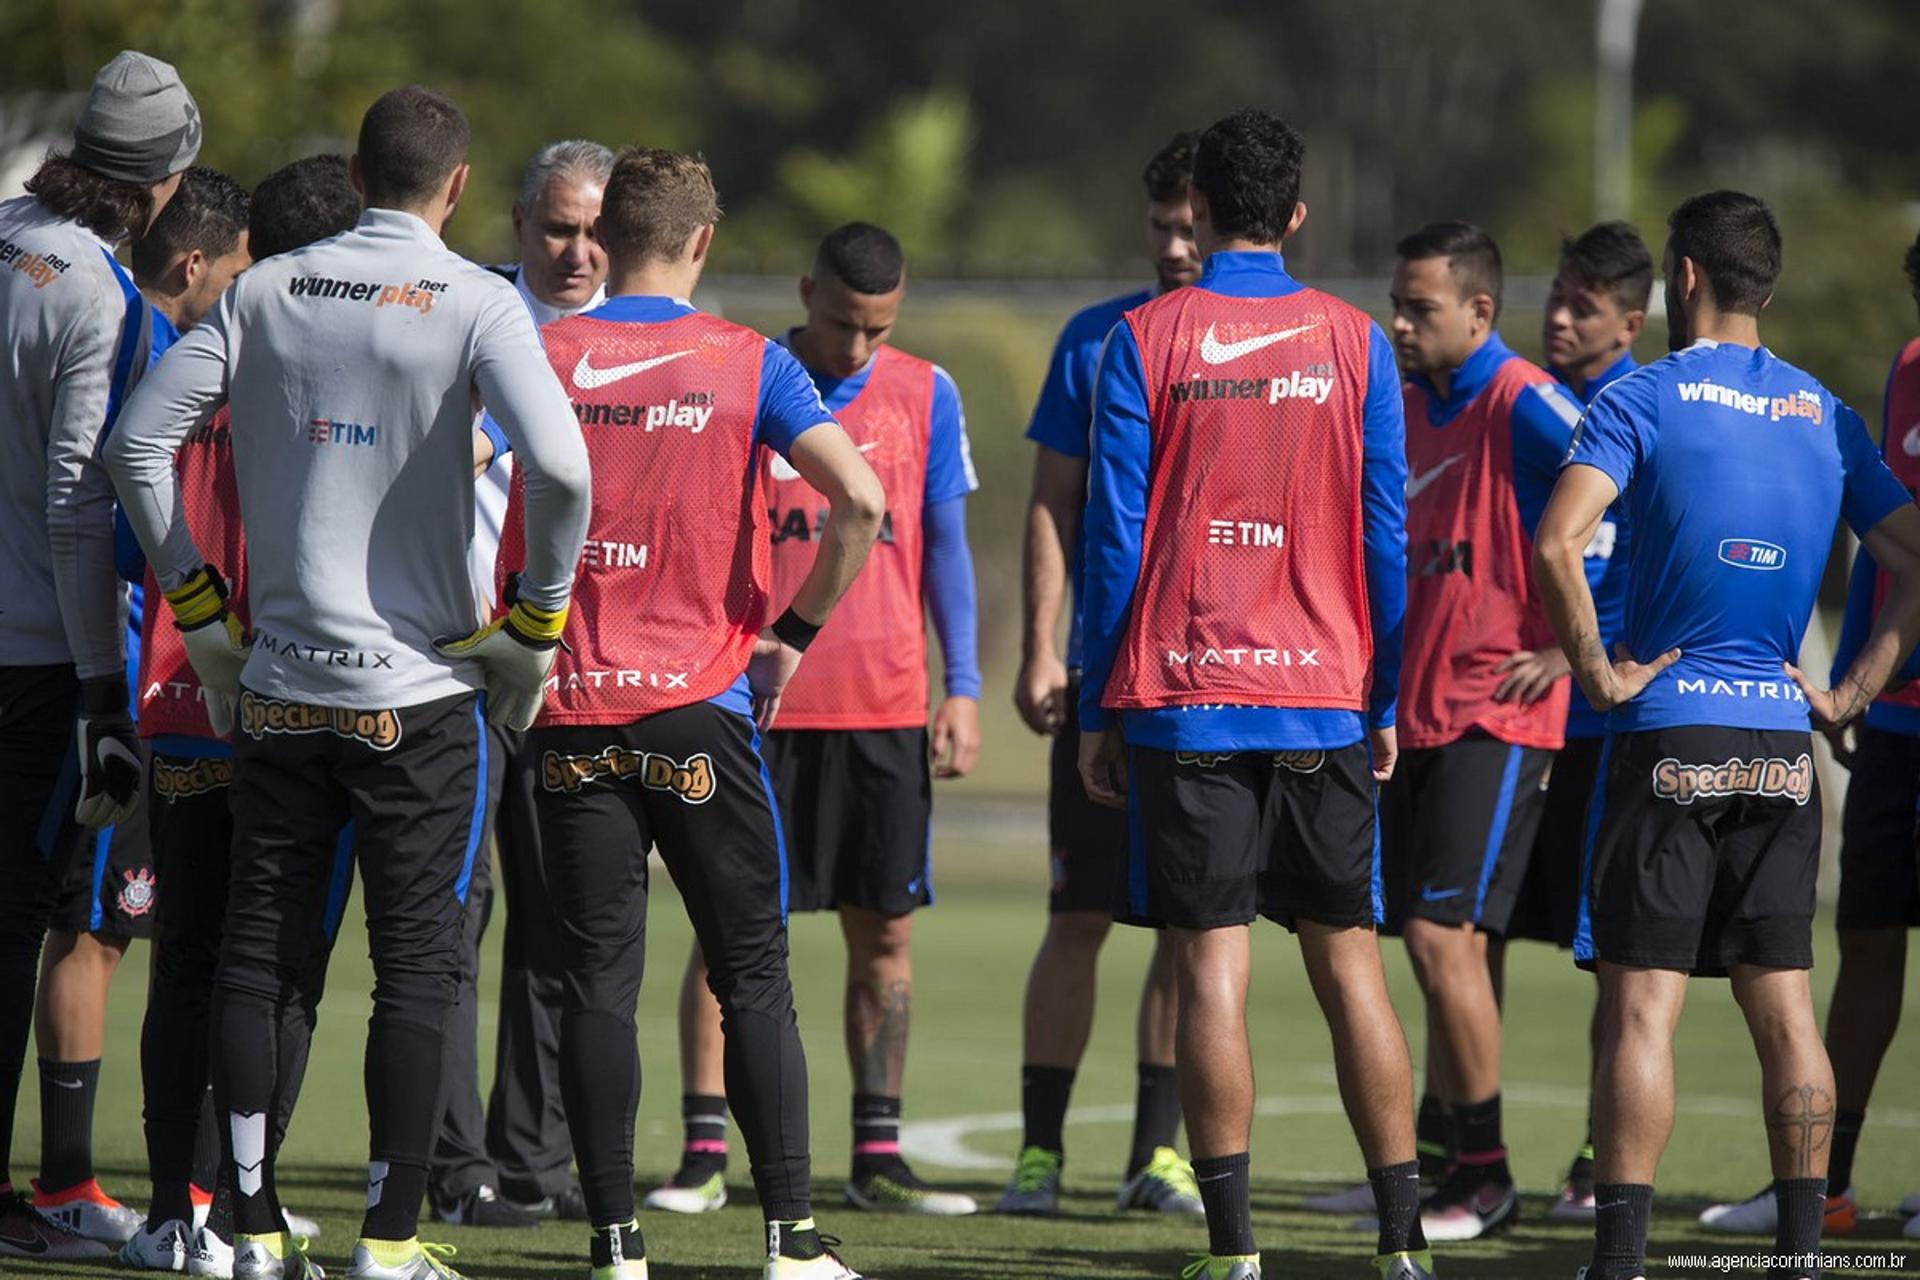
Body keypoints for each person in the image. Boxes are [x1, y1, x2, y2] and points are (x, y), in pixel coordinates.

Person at [105, 85, 593, 1280]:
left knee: (257, 952)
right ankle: (386, 1235)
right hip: (420, 693)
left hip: (277, 682)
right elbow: (565, 472)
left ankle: (253, 1223)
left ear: (361, 171)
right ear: (461, 185)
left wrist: (202, 604)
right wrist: (533, 619)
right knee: (419, 963)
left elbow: (133, 447)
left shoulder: (265, 290)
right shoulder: (478, 299)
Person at [494, 145, 882, 1280]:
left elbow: (449, 467)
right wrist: (792, 637)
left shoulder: (541, 350)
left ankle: (616, 1243)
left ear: (601, 237)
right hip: (698, 713)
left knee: (596, 978)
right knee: (751, 967)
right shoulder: (747, 359)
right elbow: (858, 501)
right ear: (703, 242)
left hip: (569, 713)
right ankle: (791, 1241)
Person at [1535, 189, 1920, 1280]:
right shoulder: (1826, 413)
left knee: (1642, 1003)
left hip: (1667, 730)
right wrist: (1848, 693)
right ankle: (1804, 1249)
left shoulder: (1644, 397)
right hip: (1779, 744)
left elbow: (1559, 544)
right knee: (1787, 1003)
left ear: (1685, 278)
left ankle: (1620, 1259)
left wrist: (1601, 673)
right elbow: (1917, 558)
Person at [1079, 106, 1430, 1280]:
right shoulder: (1355, 340)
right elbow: (1388, 528)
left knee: (1212, 966)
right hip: (1325, 698)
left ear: (1201, 207)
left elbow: (1115, 536)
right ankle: (1403, 1242)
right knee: (1351, 964)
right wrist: (1380, 685)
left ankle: (1232, 1250)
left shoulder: (1146, 335)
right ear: (1294, 214)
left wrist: (1097, 702)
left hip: (1186, 700)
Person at [654, 221, 982, 1219]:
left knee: (884, 934)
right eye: (842, 322)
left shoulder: (928, 392)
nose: (858, 348)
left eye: (879, 329)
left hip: (883, 707)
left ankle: (877, 1148)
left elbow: (948, 551)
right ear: (806, 291)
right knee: (728, 931)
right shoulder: (749, 377)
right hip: (756, 707)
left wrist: (960, 683)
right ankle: (705, 1151)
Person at [117, 155, 364, 1276]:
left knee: (189, 956)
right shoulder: (338, 358)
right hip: (300, 693)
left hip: (181, 683)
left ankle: (178, 1213)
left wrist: (191, 603)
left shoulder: (188, 354)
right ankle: (239, 1211)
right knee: (282, 966)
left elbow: (127, 509)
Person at [0, 49, 200, 1263]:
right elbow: (84, 506)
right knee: (18, 920)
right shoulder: (101, 294)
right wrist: (99, 693)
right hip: (32, 656)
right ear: (169, 178)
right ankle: (40, 1196)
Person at [1695, 227, 1920, 1245]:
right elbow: (1889, 543)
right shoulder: (1906, 369)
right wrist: (1856, 682)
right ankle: (1823, 1184)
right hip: (1898, 713)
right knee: (1865, 934)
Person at [1361, 220, 1585, 1243]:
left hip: (1501, 712)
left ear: (1480, 311)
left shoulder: (1526, 401)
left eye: (1421, 307)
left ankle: (1486, 1175)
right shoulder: (1406, 406)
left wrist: (1579, 647)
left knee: (1438, 933)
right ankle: (1450, 1156)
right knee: (1439, 944)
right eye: (1397, 304)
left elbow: (1631, 504)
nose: (1400, 322)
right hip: (1418, 716)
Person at [998, 130, 1203, 1220]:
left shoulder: (1270, 345)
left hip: (1213, 685)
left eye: (1191, 224)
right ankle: (1038, 1153)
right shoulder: (1095, 338)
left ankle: (1157, 1156)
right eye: (1161, 226)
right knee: (1077, 911)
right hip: (1103, 676)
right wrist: (1042, 646)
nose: (1175, 245)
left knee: (1189, 922)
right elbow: (1053, 504)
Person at [430, 138, 615, 1231]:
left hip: (587, 675)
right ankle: (453, 1166)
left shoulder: (643, 335)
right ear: (513, 223)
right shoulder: (461, 314)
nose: (578, 251)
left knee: (565, 916)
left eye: (597, 231)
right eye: (558, 227)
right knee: (453, 914)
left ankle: (532, 1159)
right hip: (464, 664)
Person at [1501, 220, 1650, 1225]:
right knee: (1465, 931)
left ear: (1632, 321)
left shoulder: (1647, 411)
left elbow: (1661, 566)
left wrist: (1576, 650)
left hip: (1603, 726)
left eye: (1582, 305)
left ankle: (1604, 1155)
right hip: (1514, 717)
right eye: (1555, 296)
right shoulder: (1531, 406)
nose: (1557, 316)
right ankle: (1454, 1148)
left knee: (1612, 952)